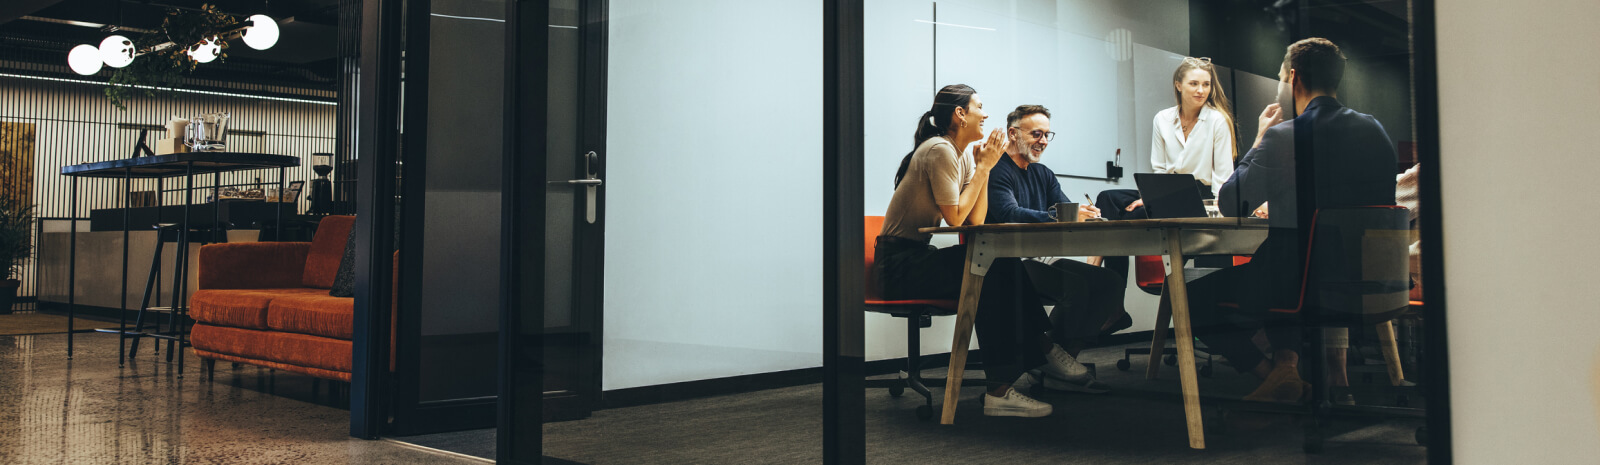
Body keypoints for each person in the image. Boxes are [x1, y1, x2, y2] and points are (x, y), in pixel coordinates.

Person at [1184, 38, 1398, 403]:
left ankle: (1276, 378)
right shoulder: (1375, 131)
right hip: (1368, 277)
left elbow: (1232, 202)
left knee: (1191, 297)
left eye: (1281, 77)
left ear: (1294, 77)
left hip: (1300, 282)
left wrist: (1260, 138)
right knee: (1278, 265)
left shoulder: (1287, 136)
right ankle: (1288, 371)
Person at [875, 85, 1095, 418]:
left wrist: (985, 168)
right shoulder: (939, 150)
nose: (986, 113)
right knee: (989, 266)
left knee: (993, 263)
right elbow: (955, 219)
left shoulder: (961, 154)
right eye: (979, 106)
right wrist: (984, 169)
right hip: (898, 266)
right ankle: (1032, 360)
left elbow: (973, 221)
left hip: (916, 258)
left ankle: (1011, 379)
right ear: (960, 114)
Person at [985, 104, 1131, 386]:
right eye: (1036, 134)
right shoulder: (997, 170)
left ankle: (1062, 356)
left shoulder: (1043, 173)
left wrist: (1088, 216)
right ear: (1013, 134)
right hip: (1007, 264)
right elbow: (1009, 214)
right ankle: (1051, 358)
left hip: (1040, 259)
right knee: (1076, 287)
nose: (1042, 141)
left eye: (1047, 135)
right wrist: (1061, 215)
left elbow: (1066, 211)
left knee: (1110, 281)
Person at [1096, 57, 1240, 279]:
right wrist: (1152, 196)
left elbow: (1223, 176)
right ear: (1178, 84)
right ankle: (1113, 295)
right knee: (1108, 199)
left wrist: (1219, 215)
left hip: (1200, 195)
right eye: (1194, 83)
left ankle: (1100, 272)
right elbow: (1160, 169)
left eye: (1206, 84)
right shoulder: (1162, 118)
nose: (1201, 90)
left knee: (1130, 219)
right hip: (1165, 191)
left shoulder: (1217, 120)